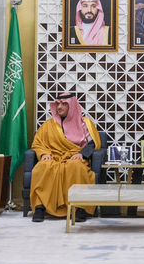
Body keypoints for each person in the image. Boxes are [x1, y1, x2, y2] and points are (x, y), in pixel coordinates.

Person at [28, 91, 99, 223]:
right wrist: (44, 154)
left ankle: (80, 208)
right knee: (42, 167)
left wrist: (81, 154)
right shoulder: (49, 125)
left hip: (74, 157)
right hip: (53, 157)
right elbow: (37, 143)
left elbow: (93, 143)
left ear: (72, 106)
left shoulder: (85, 124)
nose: (59, 107)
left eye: (63, 104)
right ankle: (40, 207)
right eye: (58, 104)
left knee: (76, 167)